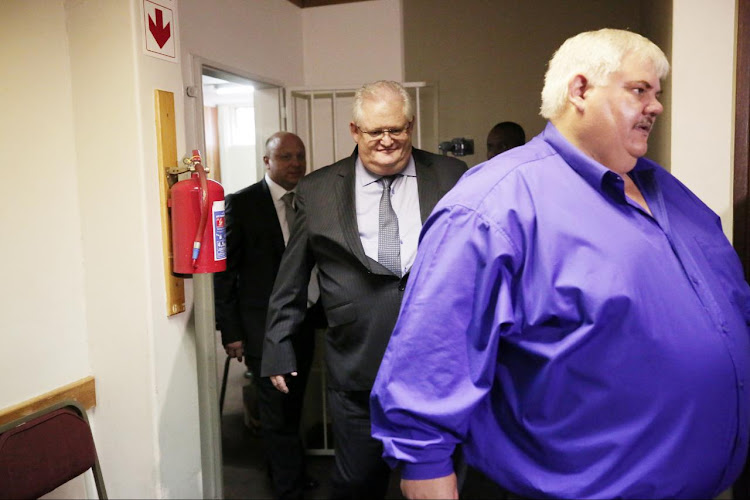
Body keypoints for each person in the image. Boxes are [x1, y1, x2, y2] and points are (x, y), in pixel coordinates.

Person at [370, 28, 750, 500]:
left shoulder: (674, 196)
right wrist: (424, 464)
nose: (656, 107)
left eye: (657, 94)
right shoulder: (493, 207)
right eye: (639, 90)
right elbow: (431, 359)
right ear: (580, 90)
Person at [261, 80, 467, 499]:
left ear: (411, 124)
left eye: (398, 129)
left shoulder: (449, 175)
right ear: (355, 130)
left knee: (442, 483)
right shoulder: (317, 190)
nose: (387, 141)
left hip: (438, 364)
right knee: (357, 483)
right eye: (376, 132)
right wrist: (278, 341)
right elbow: (293, 275)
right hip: (356, 365)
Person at [214, 131, 323, 500]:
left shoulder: (310, 201)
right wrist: (231, 331)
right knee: (274, 413)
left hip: (302, 323)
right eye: (286, 157)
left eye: (300, 157)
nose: (295, 164)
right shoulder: (242, 204)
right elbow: (225, 273)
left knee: (294, 406)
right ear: (267, 161)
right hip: (260, 327)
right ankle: (286, 487)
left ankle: (292, 472)